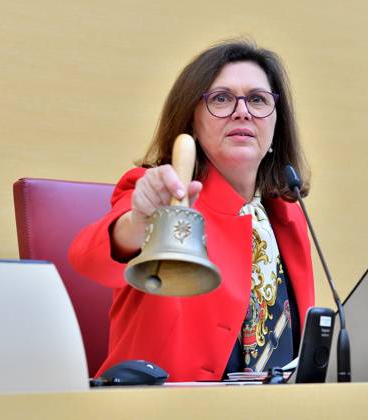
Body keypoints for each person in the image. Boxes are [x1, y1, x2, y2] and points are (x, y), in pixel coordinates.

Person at [69, 39, 315, 382]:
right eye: (222, 98)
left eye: (258, 99)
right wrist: (140, 222)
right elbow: (88, 258)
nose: (242, 111)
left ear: (276, 125)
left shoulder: (288, 216)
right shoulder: (164, 196)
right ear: (192, 122)